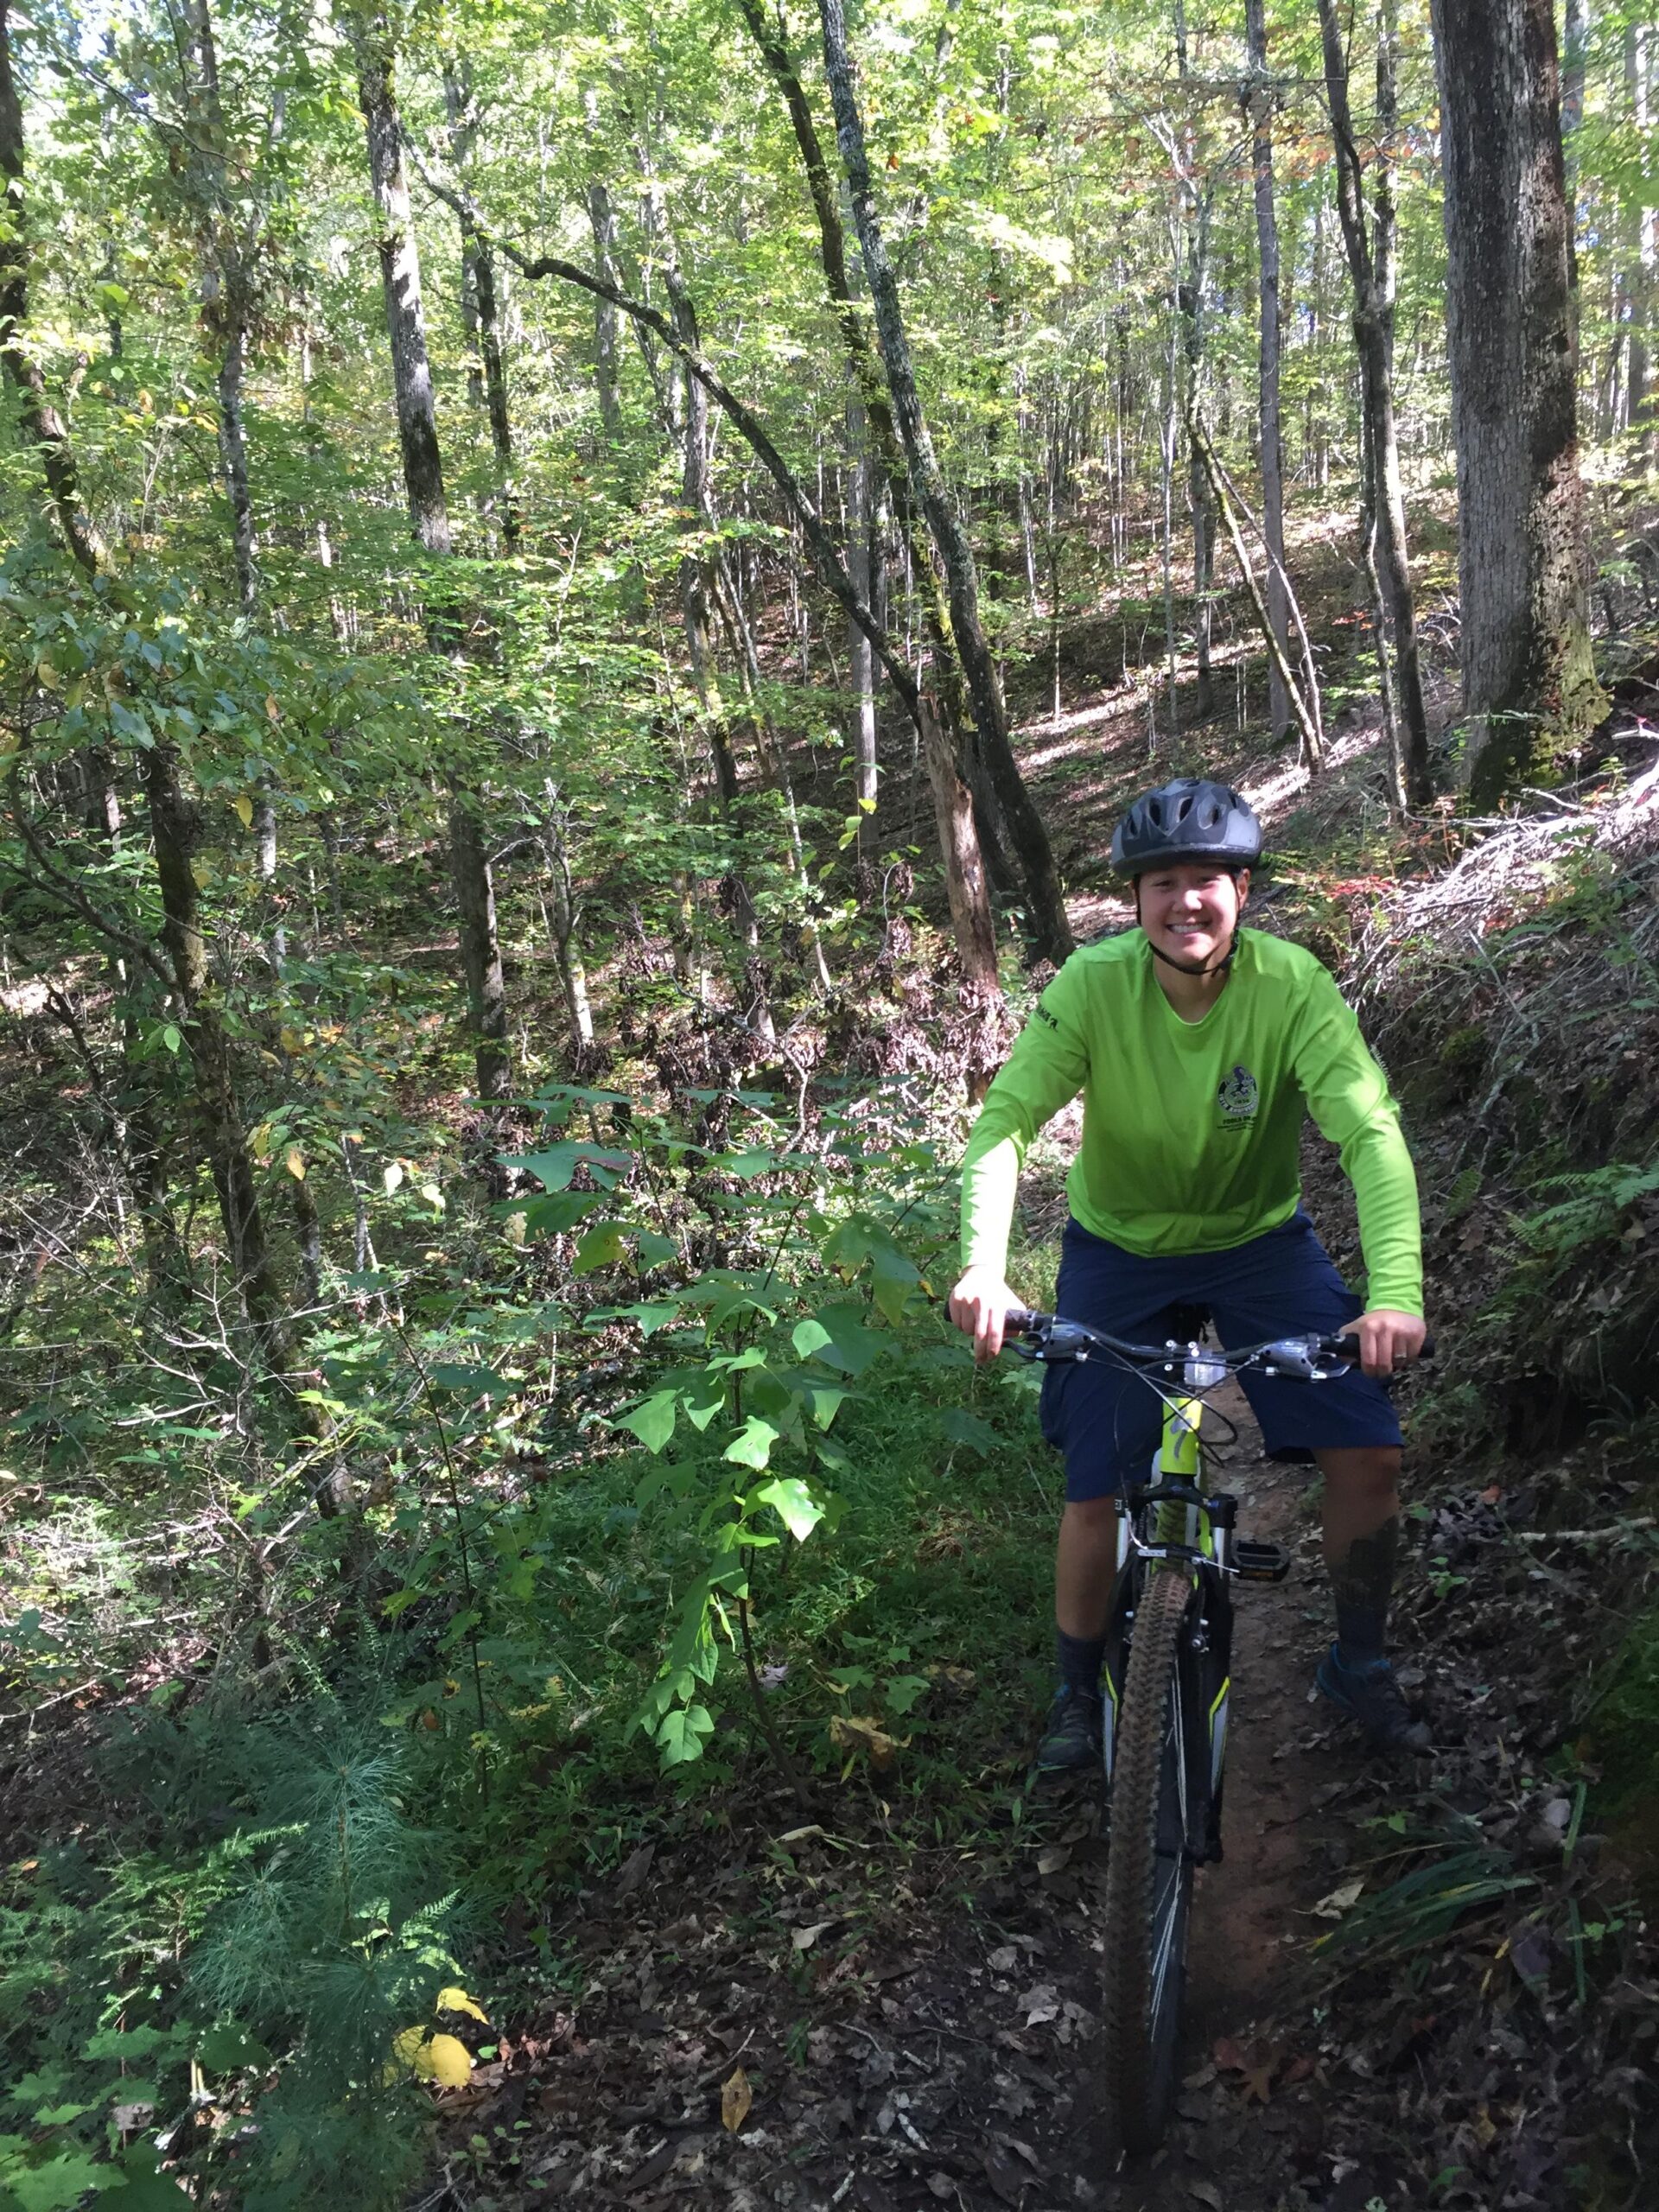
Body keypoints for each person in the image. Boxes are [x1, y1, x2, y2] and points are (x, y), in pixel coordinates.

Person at [948, 776, 1431, 1766]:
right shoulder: (1092, 985)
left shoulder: (1290, 985)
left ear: (1241, 890)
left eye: (1205, 879)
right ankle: (1075, 1692)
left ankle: (1359, 1660)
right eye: (1161, 882)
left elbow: (1370, 1133)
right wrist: (983, 1269)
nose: (1185, 901)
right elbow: (1006, 1123)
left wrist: (1395, 1294)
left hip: (1259, 1243)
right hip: (1118, 1250)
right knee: (1095, 1486)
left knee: (1369, 1452)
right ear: (1135, 900)